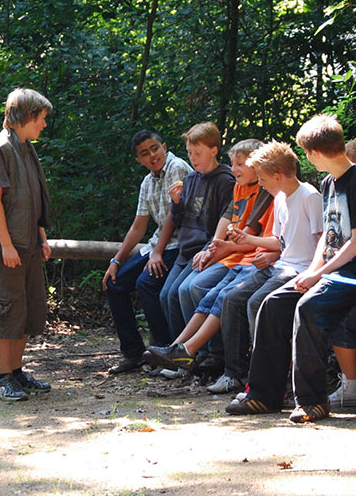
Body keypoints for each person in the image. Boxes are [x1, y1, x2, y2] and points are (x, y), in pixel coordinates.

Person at [226, 114, 356, 422]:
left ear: (315, 153)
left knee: (308, 308)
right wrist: (311, 271)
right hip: (331, 269)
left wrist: (319, 274)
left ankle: (313, 401)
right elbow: (328, 238)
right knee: (272, 304)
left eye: (306, 152)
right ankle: (262, 395)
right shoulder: (328, 183)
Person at [144, 139, 271, 373]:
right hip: (221, 251)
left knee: (196, 287)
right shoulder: (237, 185)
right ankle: (180, 352)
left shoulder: (262, 190)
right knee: (177, 290)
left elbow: (248, 235)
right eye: (233, 163)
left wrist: (218, 248)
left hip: (241, 256)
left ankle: (210, 354)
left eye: (240, 164)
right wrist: (212, 247)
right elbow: (227, 218)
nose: (234, 169)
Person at [212, 141, 323, 394]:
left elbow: (321, 241)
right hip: (281, 265)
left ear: (278, 176)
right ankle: (234, 373)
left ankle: (267, 377)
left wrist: (314, 273)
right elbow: (281, 241)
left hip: (299, 269)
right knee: (231, 298)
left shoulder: (309, 196)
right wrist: (248, 239)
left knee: (256, 303)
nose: (260, 184)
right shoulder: (281, 198)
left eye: (262, 179)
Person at [0, 88, 55, 402]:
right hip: (6, 246)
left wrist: (42, 239)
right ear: (26, 116)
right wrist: (5, 245)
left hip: (29, 244)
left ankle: (17, 373)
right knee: (8, 309)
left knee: (28, 310)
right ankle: (3, 378)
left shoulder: (26, 148)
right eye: (41, 118)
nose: (43, 124)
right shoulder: (1, 149)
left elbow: (32, 199)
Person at [140, 122, 234, 356]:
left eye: (197, 153)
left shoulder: (225, 180)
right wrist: (177, 203)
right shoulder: (191, 179)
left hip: (205, 248)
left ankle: (203, 353)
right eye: (189, 153)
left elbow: (226, 220)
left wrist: (210, 248)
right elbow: (179, 219)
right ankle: (175, 353)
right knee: (166, 294)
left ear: (214, 150)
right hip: (186, 250)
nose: (192, 158)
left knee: (184, 291)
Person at [102, 130, 191, 374]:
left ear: (164, 147)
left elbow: (174, 215)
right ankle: (134, 353)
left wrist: (158, 253)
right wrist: (116, 261)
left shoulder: (176, 167)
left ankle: (164, 353)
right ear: (138, 160)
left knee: (147, 283)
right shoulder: (147, 182)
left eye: (155, 148)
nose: (152, 155)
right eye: (145, 153)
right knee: (114, 283)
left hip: (181, 244)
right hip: (157, 245)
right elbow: (138, 226)